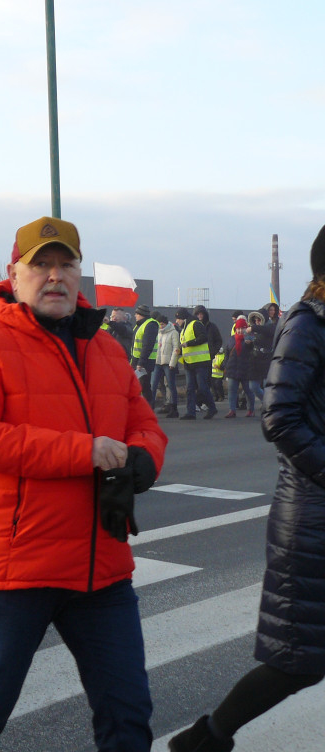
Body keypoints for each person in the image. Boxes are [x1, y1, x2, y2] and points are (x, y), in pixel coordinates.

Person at [0, 217, 167, 752]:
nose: (55, 276)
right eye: (41, 264)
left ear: (79, 274)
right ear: (14, 276)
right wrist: (82, 452)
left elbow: (145, 425)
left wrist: (142, 459)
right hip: (19, 569)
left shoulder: (106, 349)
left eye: (66, 264)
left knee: (128, 712)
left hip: (101, 566)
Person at [169, 226, 325, 752]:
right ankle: (207, 737)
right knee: (299, 661)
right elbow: (279, 418)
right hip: (313, 518)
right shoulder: (308, 324)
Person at [176, 307, 218, 420]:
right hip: (189, 363)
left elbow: (204, 338)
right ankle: (190, 412)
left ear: (183, 318)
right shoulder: (184, 329)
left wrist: (188, 344)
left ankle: (212, 407)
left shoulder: (196, 324)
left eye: (178, 319)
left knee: (202, 387)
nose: (176, 321)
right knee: (190, 388)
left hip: (200, 362)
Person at [222, 316, 256, 419]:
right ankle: (232, 410)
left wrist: (251, 345)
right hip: (233, 369)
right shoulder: (231, 339)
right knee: (232, 391)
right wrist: (225, 365)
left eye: (242, 328)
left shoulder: (250, 338)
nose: (240, 330)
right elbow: (227, 353)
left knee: (248, 391)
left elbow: (255, 353)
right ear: (235, 329)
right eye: (238, 328)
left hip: (246, 369)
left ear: (246, 328)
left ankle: (251, 410)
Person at [152, 312, 180, 418]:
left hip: (168, 363)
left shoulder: (173, 332)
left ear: (166, 323)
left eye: (162, 324)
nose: (161, 326)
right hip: (157, 362)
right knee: (153, 385)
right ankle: (150, 407)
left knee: (171, 385)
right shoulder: (157, 333)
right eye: (159, 324)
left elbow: (176, 348)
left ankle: (174, 408)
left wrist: (172, 363)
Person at [130, 304, 159, 405]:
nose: (135, 316)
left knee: (144, 386)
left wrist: (141, 362)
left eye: (136, 314)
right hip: (137, 360)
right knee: (139, 386)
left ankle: (149, 408)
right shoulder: (140, 325)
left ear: (141, 314)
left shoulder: (150, 325)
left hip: (144, 362)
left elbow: (147, 345)